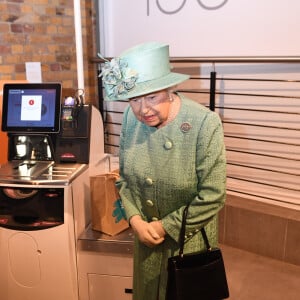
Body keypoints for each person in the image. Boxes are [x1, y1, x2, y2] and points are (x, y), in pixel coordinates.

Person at [100, 42, 226, 300]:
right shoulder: (129, 119)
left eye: (152, 97)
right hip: (145, 242)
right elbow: (124, 179)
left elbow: (213, 195)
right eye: (134, 99)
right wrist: (135, 221)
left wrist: (164, 227)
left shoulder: (205, 123)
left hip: (188, 246)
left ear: (170, 89)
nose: (143, 109)